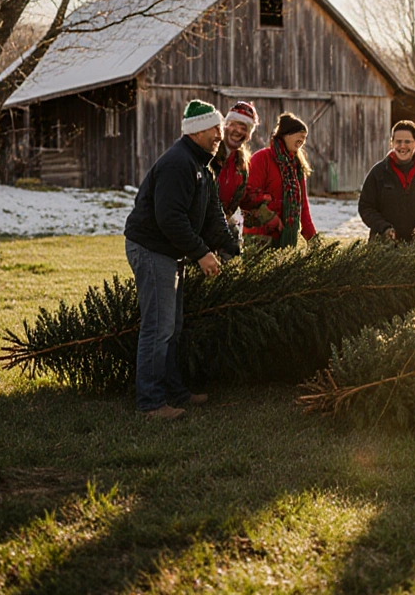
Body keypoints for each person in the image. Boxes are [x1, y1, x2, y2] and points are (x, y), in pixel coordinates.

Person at [123, 99, 240, 420]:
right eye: (215, 128)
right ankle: (149, 403)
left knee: (171, 328)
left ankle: (175, 392)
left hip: (169, 250)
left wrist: (232, 249)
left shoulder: (201, 165)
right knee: (157, 328)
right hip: (152, 249)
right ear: (197, 130)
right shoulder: (179, 163)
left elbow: (213, 215)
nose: (221, 133)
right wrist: (201, 253)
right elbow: (170, 218)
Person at [358, 120, 415, 243]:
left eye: (407, 142)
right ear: (392, 143)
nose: (402, 146)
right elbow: (366, 207)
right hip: (382, 248)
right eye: (398, 141)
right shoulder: (378, 172)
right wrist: (383, 228)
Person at [241, 112, 317, 247]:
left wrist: (313, 239)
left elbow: (303, 207)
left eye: (304, 136)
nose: (303, 138)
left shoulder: (297, 167)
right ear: (285, 135)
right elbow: (248, 197)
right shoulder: (262, 159)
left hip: (285, 241)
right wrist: (271, 219)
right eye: (299, 134)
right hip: (259, 238)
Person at [215, 101, 259, 223]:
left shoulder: (242, 163)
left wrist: (268, 213)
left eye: (244, 128)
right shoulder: (210, 154)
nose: (238, 131)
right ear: (226, 125)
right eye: (235, 125)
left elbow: (243, 199)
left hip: (222, 225)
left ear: (248, 135)